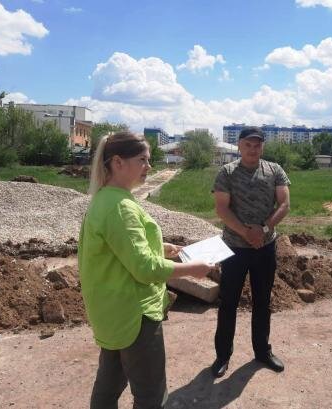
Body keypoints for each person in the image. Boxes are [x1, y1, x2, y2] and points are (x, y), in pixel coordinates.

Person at [78, 131, 211, 409]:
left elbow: (119, 248)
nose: (149, 166)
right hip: (134, 314)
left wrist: (159, 247)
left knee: (109, 384)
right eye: (142, 160)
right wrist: (192, 269)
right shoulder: (121, 207)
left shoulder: (106, 199)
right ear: (118, 162)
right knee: (151, 396)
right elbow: (144, 268)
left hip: (113, 313)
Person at [210, 126, 291, 378]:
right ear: (239, 145)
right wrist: (247, 233)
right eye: (248, 144)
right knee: (228, 303)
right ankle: (222, 356)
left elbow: (284, 204)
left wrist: (263, 229)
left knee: (263, 302)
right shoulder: (227, 172)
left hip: (265, 248)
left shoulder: (274, 170)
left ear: (262, 147)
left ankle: (262, 352)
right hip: (234, 248)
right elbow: (222, 209)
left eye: (257, 145)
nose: (253, 149)